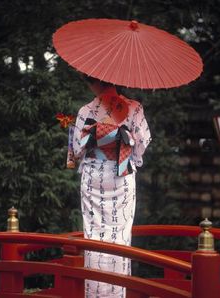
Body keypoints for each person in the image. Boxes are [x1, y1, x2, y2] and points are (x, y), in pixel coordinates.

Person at [72, 76, 151, 298]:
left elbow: (77, 150)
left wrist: (99, 135)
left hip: (94, 177)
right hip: (121, 173)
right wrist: (122, 138)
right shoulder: (134, 108)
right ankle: (116, 293)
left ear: (91, 82)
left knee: (94, 234)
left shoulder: (85, 111)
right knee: (120, 234)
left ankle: (95, 292)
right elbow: (141, 146)